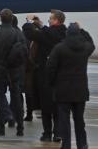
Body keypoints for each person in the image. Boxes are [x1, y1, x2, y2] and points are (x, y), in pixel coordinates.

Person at [47, 23, 94, 149]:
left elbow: (50, 68)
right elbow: (91, 42)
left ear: (67, 33)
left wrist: (52, 83)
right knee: (79, 120)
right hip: (80, 90)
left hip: (63, 90)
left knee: (64, 121)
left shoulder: (59, 48)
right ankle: (82, 144)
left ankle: (66, 145)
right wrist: (82, 30)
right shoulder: (85, 48)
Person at [22, 10, 67, 142]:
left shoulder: (48, 34)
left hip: (45, 76)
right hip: (61, 77)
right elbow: (47, 32)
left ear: (56, 21)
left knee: (46, 107)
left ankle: (47, 133)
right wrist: (41, 25)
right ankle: (57, 133)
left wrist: (29, 21)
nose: (48, 21)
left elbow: (29, 33)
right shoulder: (65, 33)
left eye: (50, 19)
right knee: (58, 106)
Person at [0, 9, 27, 137]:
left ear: (0, 19)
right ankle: (20, 128)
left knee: (0, 96)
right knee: (16, 97)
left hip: (0, 70)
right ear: (12, 19)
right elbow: (25, 53)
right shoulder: (19, 34)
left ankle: (2, 127)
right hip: (15, 70)